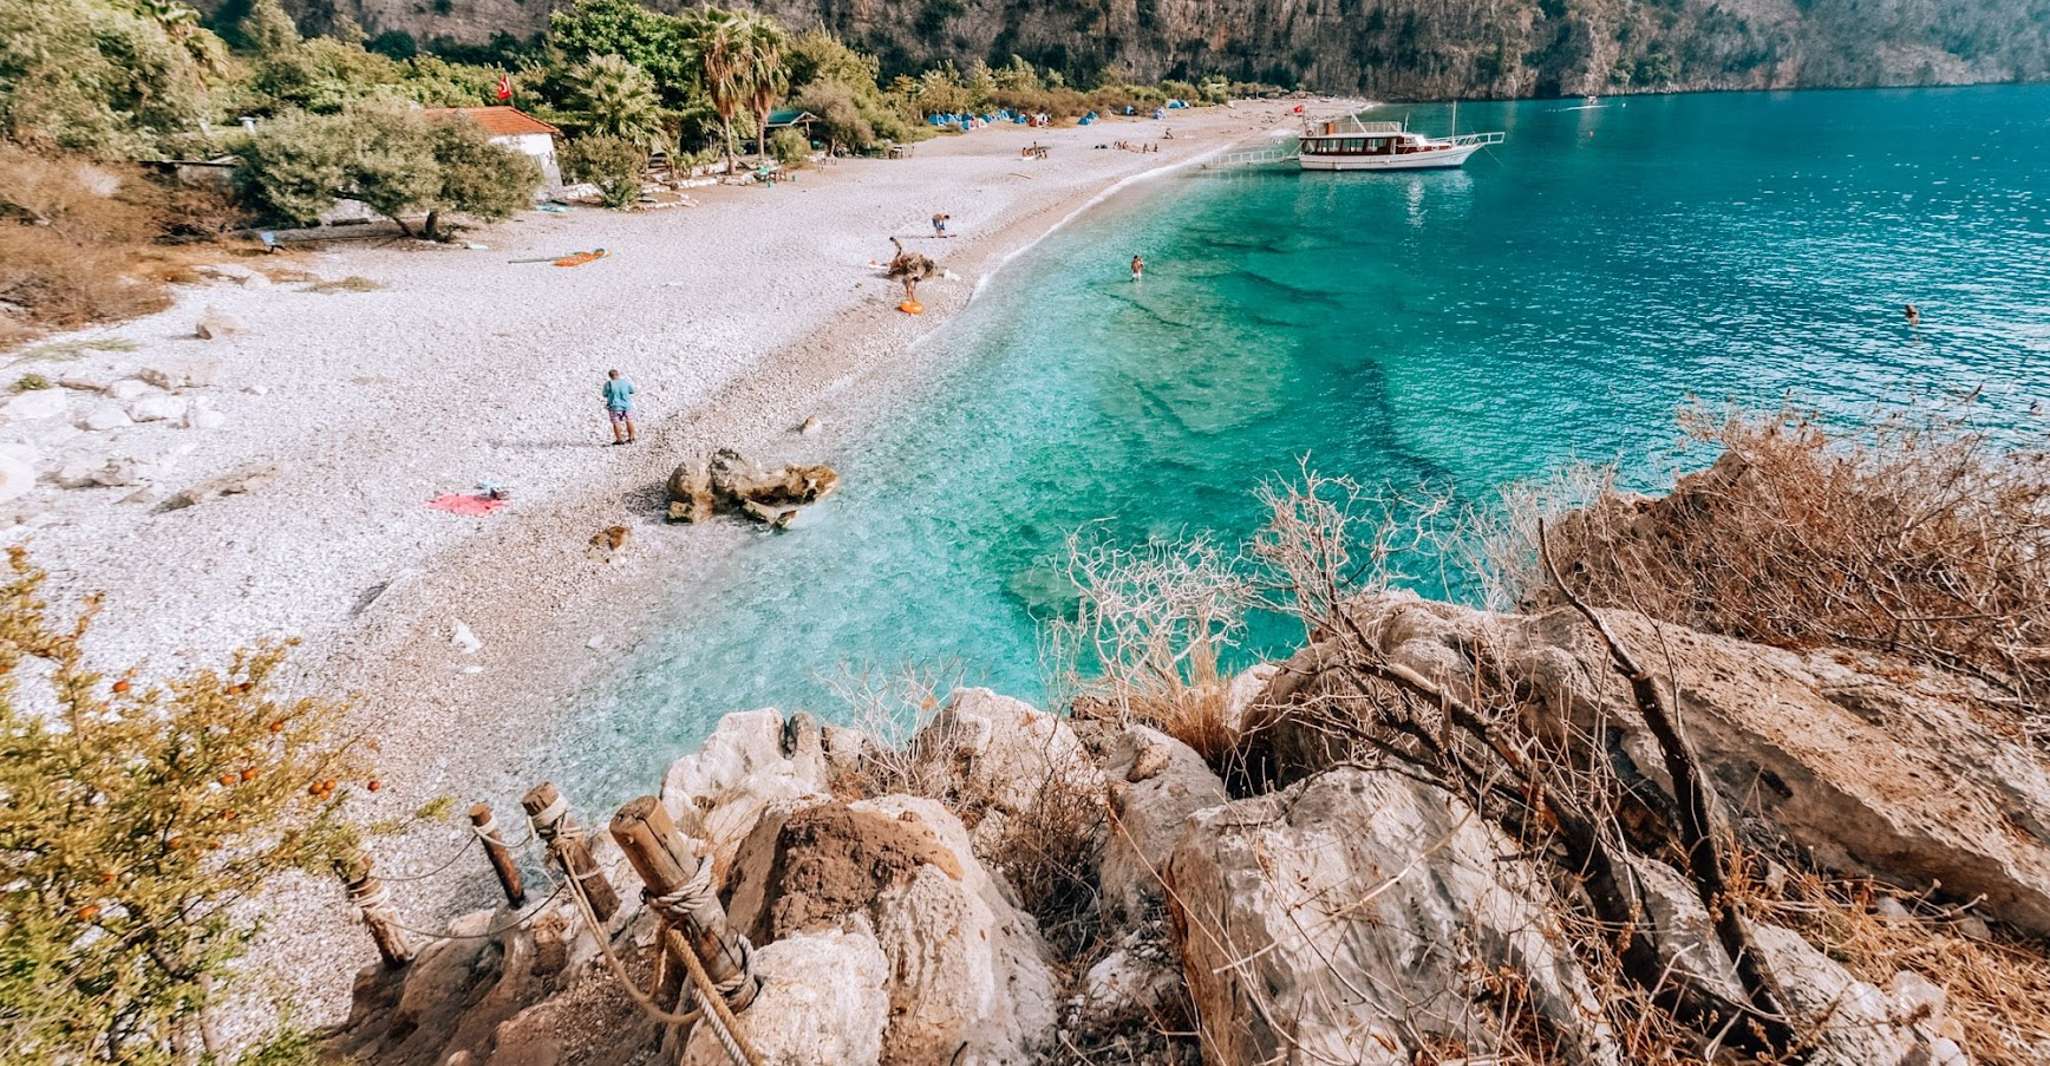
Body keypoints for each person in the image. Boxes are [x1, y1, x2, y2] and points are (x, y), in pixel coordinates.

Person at [602, 369, 637, 445]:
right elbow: (632, 391)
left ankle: (619, 440)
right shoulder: (625, 382)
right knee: (629, 420)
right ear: (618, 374)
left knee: (616, 422)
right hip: (627, 405)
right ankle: (631, 437)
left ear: (610, 376)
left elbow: (604, 394)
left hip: (615, 406)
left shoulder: (608, 384)